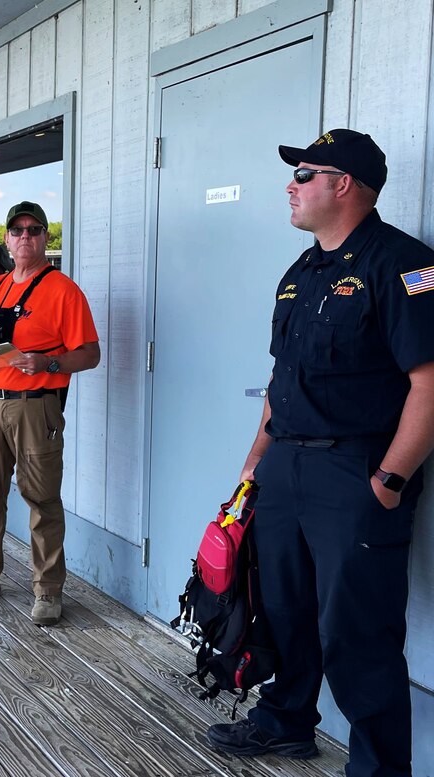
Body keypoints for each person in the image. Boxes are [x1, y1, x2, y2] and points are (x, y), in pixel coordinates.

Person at [203, 130, 434, 776]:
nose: (291, 185)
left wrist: (387, 481)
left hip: (353, 473)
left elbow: (429, 385)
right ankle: (286, 720)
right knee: (285, 606)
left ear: (345, 185)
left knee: (358, 632)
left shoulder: (405, 265)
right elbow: (283, 383)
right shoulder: (299, 275)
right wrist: (253, 465)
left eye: (304, 174)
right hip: (285, 468)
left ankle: (380, 767)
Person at [0, 201, 100, 626]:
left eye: (34, 230)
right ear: (6, 239)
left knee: (42, 499)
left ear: (46, 238)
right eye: (17, 230)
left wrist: (49, 364)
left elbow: (90, 354)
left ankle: (48, 590)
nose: (25, 237)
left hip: (37, 408)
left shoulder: (64, 290)